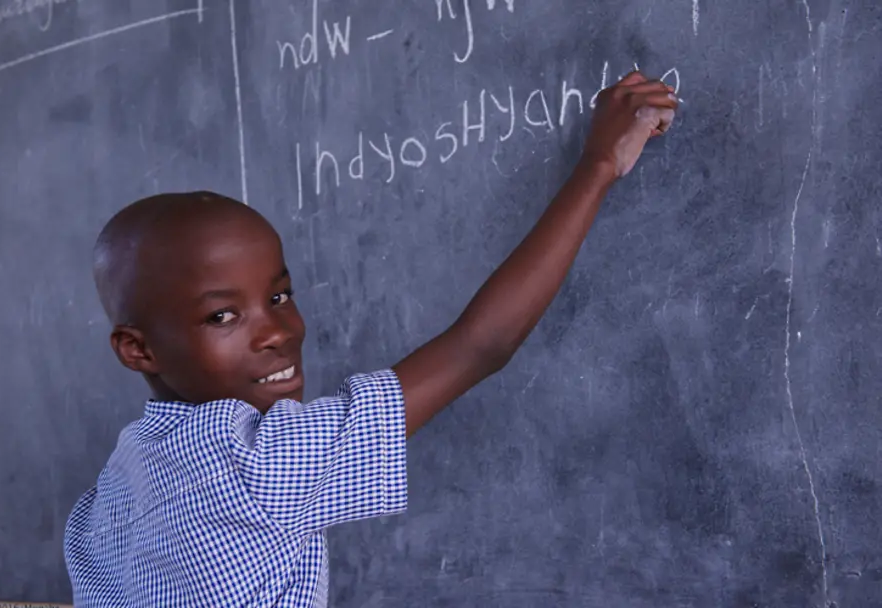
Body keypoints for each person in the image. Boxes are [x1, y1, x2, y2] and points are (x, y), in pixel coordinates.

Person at [63, 71, 677, 607]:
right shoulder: (258, 462)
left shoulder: (108, 497)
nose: (277, 332)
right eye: (222, 317)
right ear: (137, 349)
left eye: (279, 296)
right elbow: (479, 345)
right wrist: (598, 167)